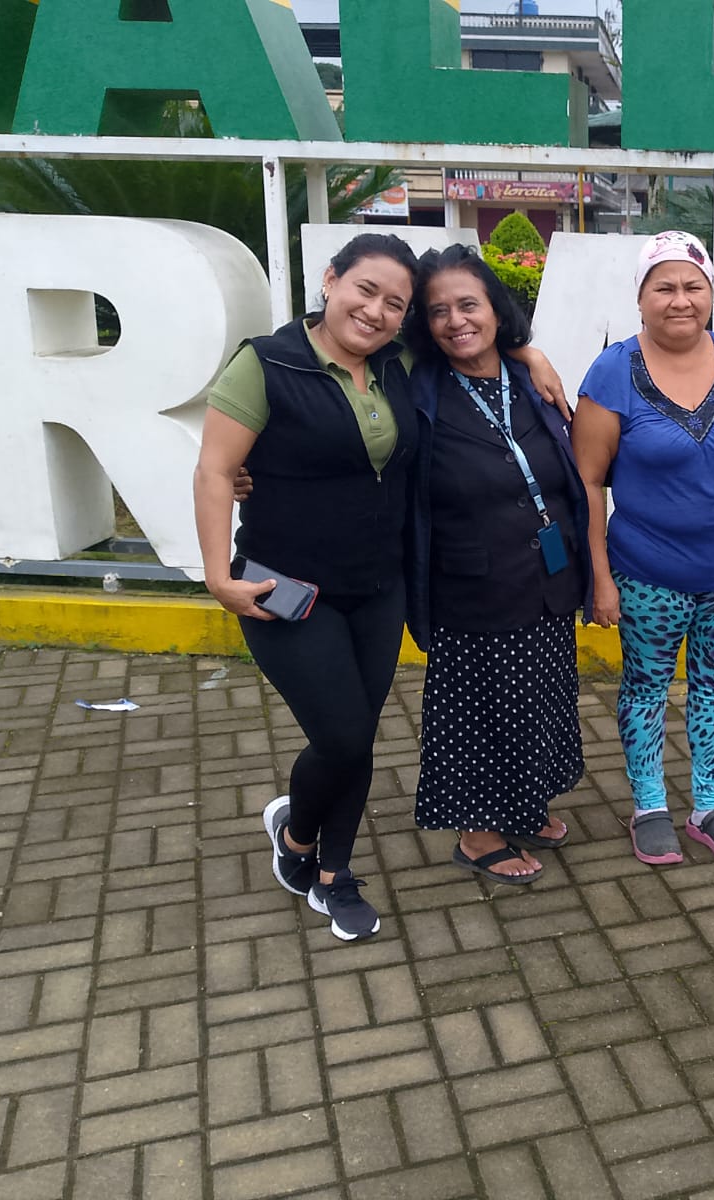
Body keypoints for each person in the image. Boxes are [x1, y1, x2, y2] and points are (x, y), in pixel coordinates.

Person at [194, 233, 565, 939]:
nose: (376, 311)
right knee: (340, 736)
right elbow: (215, 470)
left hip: (377, 585)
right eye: (366, 290)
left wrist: (530, 354)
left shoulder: (398, 363)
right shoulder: (266, 363)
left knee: (359, 735)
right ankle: (297, 837)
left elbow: (470, 338)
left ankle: (330, 871)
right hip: (286, 588)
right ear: (331, 280)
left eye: (395, 304)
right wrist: (218, 574)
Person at [572, 231, 714, 868]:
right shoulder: (613, 372)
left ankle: (710, 806)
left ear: (711, 293)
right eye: (664, 287)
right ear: (641, 298)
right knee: (646, 689)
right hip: (647, 574)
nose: (680, 300)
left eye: (693, 286)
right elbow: (587, 481)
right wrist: (600, 577)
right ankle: (649, 807)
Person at [403, 246, 588, 885]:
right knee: (477, 710)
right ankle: (477, 831)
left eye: (468, 305)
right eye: (438, 311)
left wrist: (529, 353)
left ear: (496, 309)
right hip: (470, 586)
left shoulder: (527, 377)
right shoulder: (417, 386)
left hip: (547, 577)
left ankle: (523, 804)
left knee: (538, 697)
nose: (456, 321)